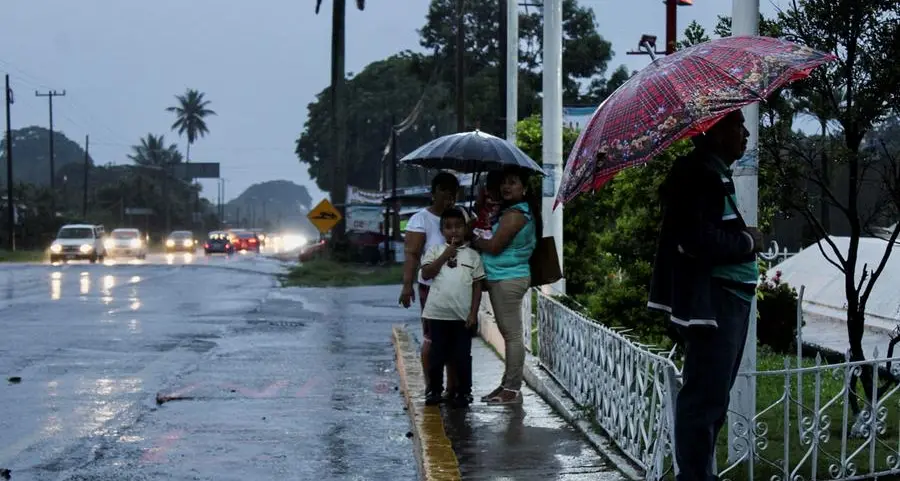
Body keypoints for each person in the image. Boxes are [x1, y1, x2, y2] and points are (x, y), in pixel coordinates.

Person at [647, 110, 764, 481]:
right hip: (715, 301)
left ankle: (699, 473)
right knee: (704, 398)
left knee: (714, 396)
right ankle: (694, 476)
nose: (745, 133)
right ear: (713, 133)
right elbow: (695, 239)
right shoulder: (698, 175)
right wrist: (747, 242)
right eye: (736, 125)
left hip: (731, 297)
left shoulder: (713, 173)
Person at [472, 167, 539, 405]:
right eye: (504, 183)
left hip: (508, 279)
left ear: (525, 188)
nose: (506, 187)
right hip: (503, 277)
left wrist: (473, 238)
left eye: (513, 183)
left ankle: (512, 389)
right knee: (509, 334)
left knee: (512, 336)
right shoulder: (511, 211)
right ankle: (505, 384)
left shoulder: (516, 215)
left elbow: (494, 247)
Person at [399, 171, 461, 392]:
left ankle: (454, 387)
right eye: (443, 190)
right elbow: (412, 254)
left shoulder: (462, 216)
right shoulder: (421, 219)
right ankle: (432, 385)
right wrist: (407, 286)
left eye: (452, 192)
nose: (448, 196)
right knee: (432, 338)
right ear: (433, 193)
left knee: (456, 340)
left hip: (458, 289)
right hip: (431, 287)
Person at [420, 207, 485, 407]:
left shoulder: (473, 256)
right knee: (437, 354)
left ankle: (464, 391)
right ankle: (434, 390)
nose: (454, 231)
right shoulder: (434, 251)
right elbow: (426, 274)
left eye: (458, 226)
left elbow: (477, 286)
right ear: (442, 231)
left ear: (466, 229)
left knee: (462, 356)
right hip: (438, 315)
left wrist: (473, 314)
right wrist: (445, 255)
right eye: (448, 227)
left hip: (462, 317)